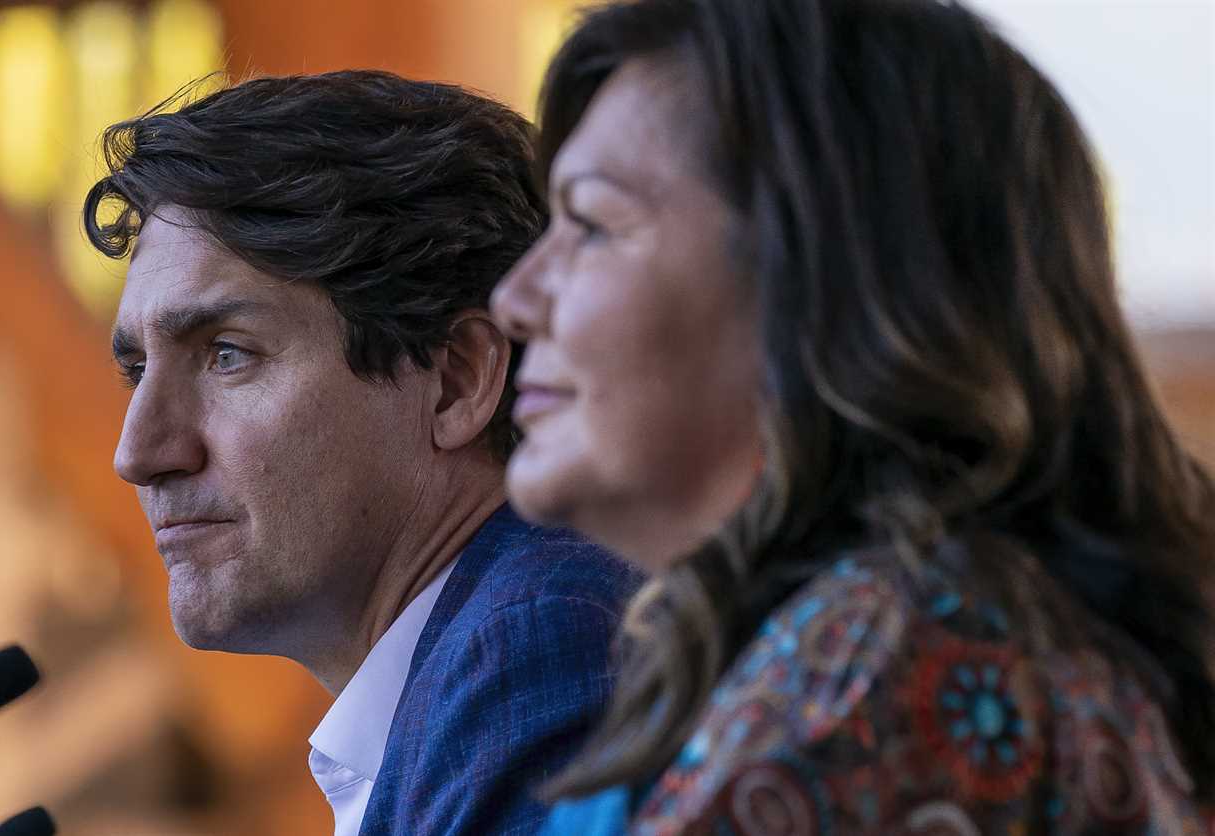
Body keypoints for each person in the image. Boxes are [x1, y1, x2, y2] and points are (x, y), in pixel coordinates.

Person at [490, 0, 1215, 832]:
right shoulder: (875, 632)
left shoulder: (891, 662)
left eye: (590, 224)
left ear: (819, 285)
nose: (515, 298)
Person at [85, 70, 640, 836]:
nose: (139, 452)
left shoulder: (539, 646)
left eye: (227, 355)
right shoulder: (467, 658)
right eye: (137, 371)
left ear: (455, 381)